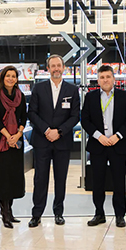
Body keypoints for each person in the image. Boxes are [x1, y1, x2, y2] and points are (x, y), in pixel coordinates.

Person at [27, 54, 80, 227]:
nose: (56, 69)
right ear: (48, 69)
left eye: (59, 65)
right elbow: (32, 113)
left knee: (61, 178)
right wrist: (46, 130)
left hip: (62, 141)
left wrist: (60, 131)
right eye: (53, 66)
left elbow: (75, 116)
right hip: (42, 141)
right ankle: (37, 213)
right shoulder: (38, 88)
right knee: (40, 178)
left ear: (64, 68)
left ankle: (59, 212)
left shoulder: (72, 90)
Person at [81, 64, 126, 228]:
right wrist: (99, 136)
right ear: (98, 80)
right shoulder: (90, 97)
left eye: (108, 77)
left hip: (118, 144)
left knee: (119, 181)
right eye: (102, 77)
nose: (105, 80)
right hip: (99, 144)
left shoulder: (125, 96)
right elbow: (85, 120)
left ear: (114, 79)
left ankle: (120, 215)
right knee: (98, 181)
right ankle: (99, 214)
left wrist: (118, 136)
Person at [0, 65, 28, 228]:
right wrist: (9, 137)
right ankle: (4, 213)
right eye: (8, 76)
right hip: (2, 141)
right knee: (2, 177)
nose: (11, 79)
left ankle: (10, 212)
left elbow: (24, 118)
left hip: (16, 141)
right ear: (3, 78)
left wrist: (18, 135)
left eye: (13, 76)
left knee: (13, 176)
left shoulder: (21, 96)